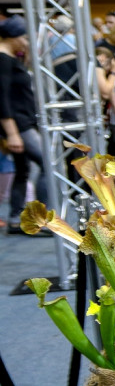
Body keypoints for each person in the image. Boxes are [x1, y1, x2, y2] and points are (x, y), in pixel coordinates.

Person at [0, 16, 50, 236]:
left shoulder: (10, 58)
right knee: (47, 163)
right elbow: (1, 98)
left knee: (23, 170)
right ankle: (37, 219)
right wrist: (12, 133)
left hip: (21, 122)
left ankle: (16, 218)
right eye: (23, 37)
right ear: (12, 37)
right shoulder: (3, 59)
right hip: (18, 124)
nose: (26, 41)